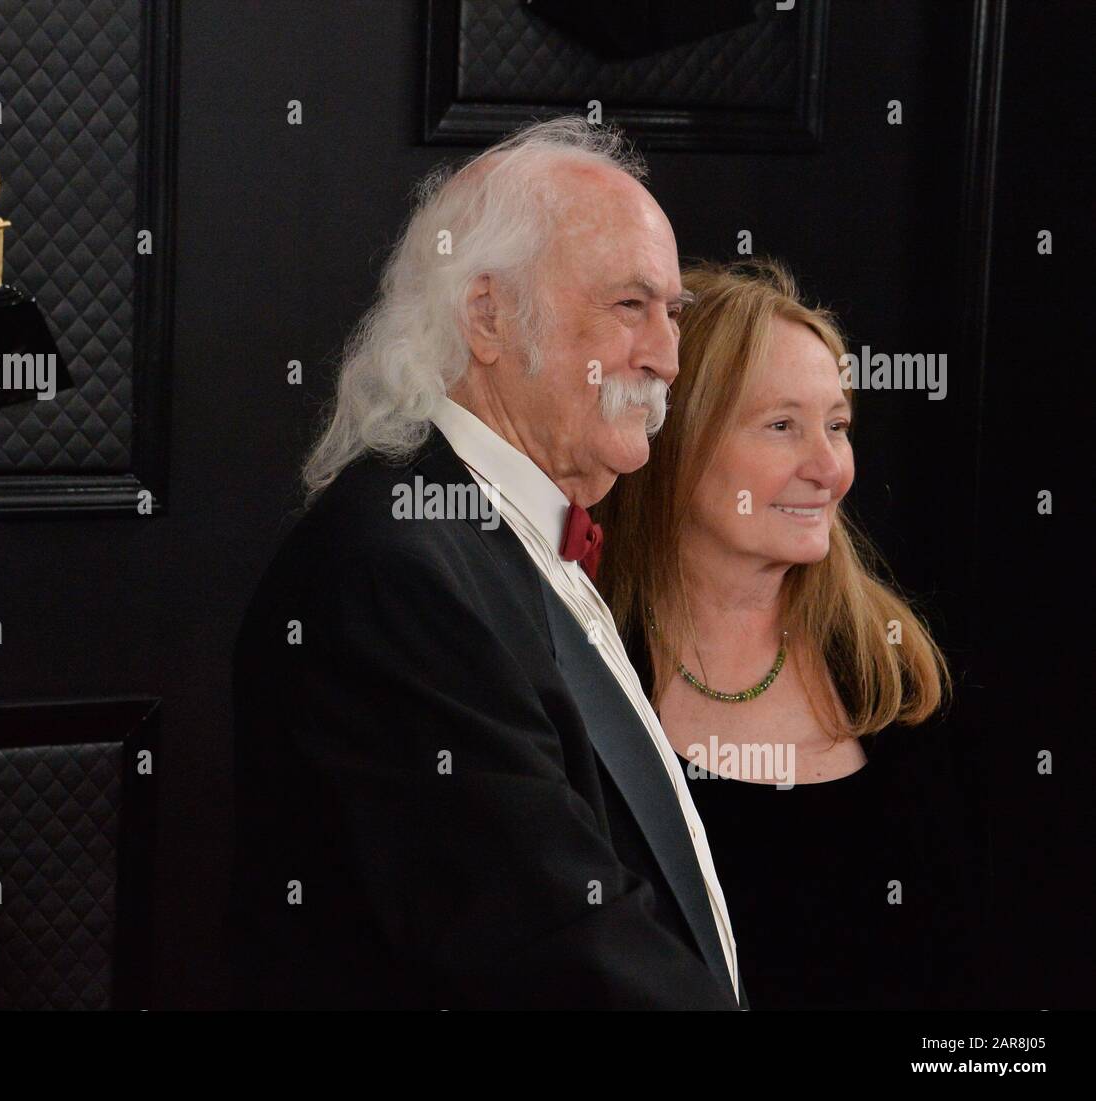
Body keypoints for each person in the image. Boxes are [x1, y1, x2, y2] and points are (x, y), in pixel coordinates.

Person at [226, 118, 749, 1008]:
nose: (666, 354)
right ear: (488, 316)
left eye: (673, 314)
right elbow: (559, 954)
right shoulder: (397, 572)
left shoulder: (493, 532)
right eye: (630, 306)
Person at [594, 259, 987, 1008]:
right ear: (673, 442)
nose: (830, 468)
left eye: (837, 425)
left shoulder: (895, 678)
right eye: (783, 426)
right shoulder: (581, 670)